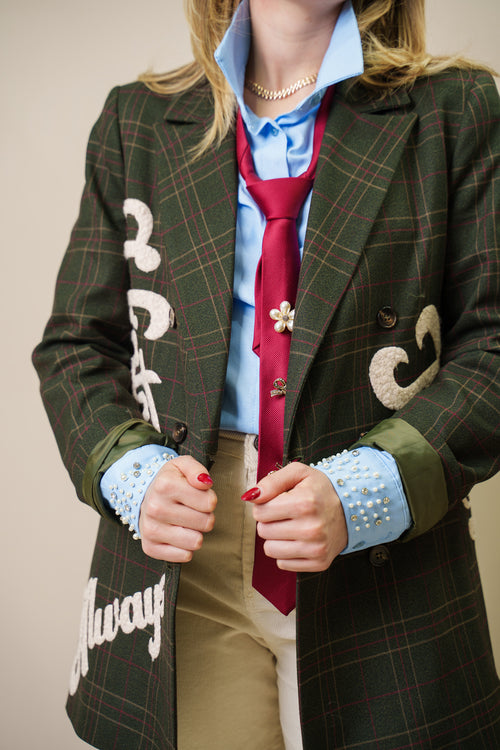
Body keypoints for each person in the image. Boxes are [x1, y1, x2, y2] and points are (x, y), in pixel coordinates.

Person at [33, 0, 500, 748]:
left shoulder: (458, 110)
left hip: (388, 563)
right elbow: (76, 347)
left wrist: (368, 490)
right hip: (182, 557)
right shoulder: (137, 121)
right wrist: (131, 474)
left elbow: (493, 346)